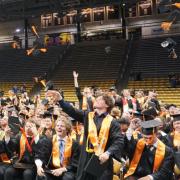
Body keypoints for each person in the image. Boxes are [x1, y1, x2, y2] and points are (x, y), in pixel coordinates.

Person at [46, 90, 124, 180]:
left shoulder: (113, 122)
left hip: (102, 159)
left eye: (100, 99)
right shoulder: (88, 116)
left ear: (107, 105)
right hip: (86, 157)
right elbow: (72, 111)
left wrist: (108, 153)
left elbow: (119, 141)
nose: (96, 100)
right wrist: (60, 99)